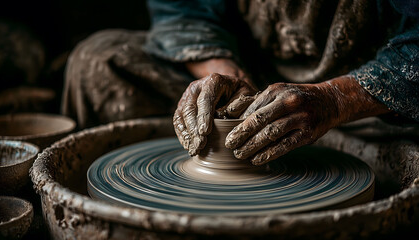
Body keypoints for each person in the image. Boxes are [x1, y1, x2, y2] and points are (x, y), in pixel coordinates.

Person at [62, 0, 419, 165]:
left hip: (372, 103)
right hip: (253, 70)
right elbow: (183, 9)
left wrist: (334, 100)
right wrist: (230, 77)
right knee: (98, 63)